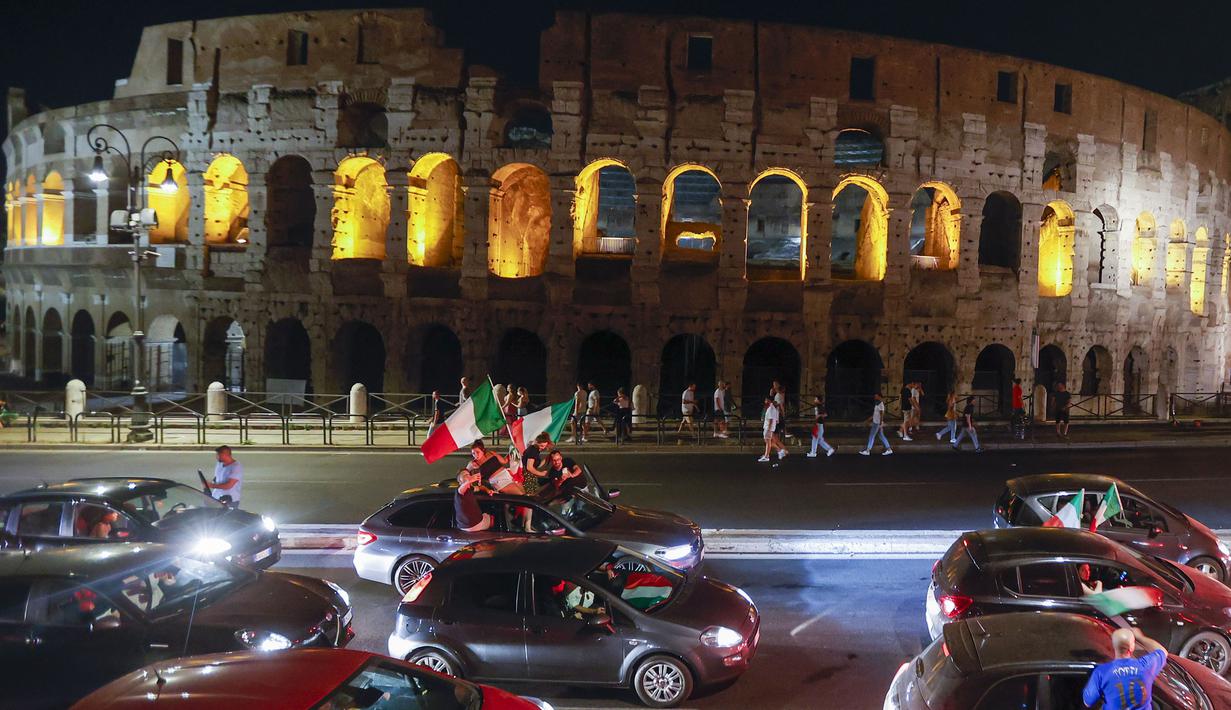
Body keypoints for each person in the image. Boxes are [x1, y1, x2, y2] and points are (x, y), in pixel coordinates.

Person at [1082, 627, 1166, 710]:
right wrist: (1140, 637)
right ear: (1132, 648)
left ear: (1113, 646)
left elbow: (1087, 702)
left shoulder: (1101, 672)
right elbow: (1162, 651)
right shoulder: (1146, 665)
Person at [758, 395, 787, 462]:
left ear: (768, 400)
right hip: (770, 428)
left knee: (768, 442)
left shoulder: (771, 408)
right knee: (769, 441)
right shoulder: (773, 408)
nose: (765, 401)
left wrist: (769, 428)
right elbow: (776, 420)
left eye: (766, 400)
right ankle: (779, 451)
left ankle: (767, 456)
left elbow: (771, 419)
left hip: (768, 428)